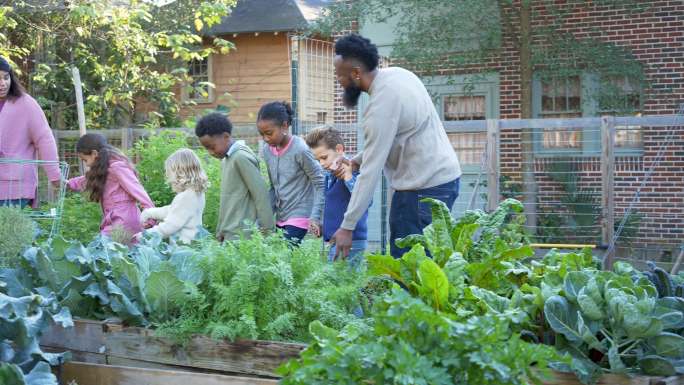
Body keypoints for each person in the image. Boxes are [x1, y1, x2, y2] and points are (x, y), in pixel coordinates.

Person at [331, 34, 462, 259]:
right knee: (433, 264)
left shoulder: (381, 106)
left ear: (355, 73)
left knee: (409, 267)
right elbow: (397, 135)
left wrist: (347, 226)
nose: (338, 81)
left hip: (421, 190)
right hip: (446, 180)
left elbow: (370, 173)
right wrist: (356, 161)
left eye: (339, 75)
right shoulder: (400, 75)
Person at [195, 113, 274, 241]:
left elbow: (261, 195)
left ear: (226, 136)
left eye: (212, 147)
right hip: (230, 233)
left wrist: (268, 231)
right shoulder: (227, 159)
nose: (210, 152)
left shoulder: (240, 157)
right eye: (206, 149)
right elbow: (228, 201)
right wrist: (220, 229)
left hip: (243, 236)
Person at [257, 101, 326, 245]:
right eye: (262, 134)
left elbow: (320, 182)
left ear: (284, 125)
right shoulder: (267, 150)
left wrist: (315, 217)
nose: (265, 138)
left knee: (284, 256)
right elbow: (273, 186)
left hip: (301, 216)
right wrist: (264, 217)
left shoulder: (300, 149)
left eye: (269, 133)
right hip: (281, 216)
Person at [67, 133, 155, 240]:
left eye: (85, 160)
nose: (86, 164)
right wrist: (66, 184)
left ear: (94, 154)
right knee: (121, 255)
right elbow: (86, 179)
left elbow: (138, 191)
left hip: (124, 221)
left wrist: (151, 217)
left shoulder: (117, 168)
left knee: (100, 250)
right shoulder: (104, 169)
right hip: (117, 220)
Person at [0, 56, 61, 208]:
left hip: (15, 187)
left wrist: (54, 175)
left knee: (10, 230)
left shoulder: (26, 104)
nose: (2, 83)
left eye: (6, 77)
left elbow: (44, 140)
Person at [304, 126, 368, 267]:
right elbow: (336, 208)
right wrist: (322, 226)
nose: (321, 163)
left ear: (339, 150)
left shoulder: (354, 173)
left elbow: (365, 201)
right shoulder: (330, 176)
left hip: (351, 242)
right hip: (333, 242)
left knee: (345, 285)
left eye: (324, 157)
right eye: (318, 160)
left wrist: (349, 177)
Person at [139, 148, 207, 243]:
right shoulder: (196, 193)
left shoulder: (185, 197)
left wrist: (143, 235)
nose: (168, 178)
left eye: (169, 173)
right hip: (193, 246)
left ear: (179, 173)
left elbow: (168, 227)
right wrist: (149, 212)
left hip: (183, 248)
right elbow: (173, 210)